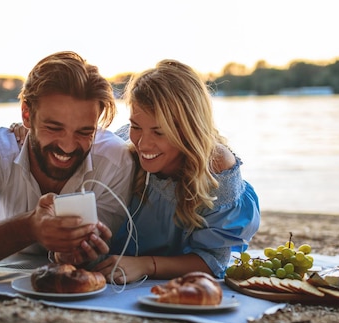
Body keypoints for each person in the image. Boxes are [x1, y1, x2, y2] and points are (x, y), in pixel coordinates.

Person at [0, 51, 135, 273]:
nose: (68, 146)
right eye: (54, 128)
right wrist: (27, 228)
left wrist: (72, 252)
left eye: (84, 132)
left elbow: (95, 248)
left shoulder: (115, 161)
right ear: (26, 114)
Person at [94, 59, 260, 284]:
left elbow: (214, 261)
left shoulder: (216, 165)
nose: (143, 143)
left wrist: (146, 265)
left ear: (189, 129)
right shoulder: (122, 148)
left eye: (159, 132)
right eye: (136, 126)